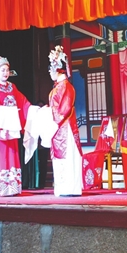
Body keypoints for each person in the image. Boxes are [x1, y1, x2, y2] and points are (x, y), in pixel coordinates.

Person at [0, 55, 31, 196]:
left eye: (7, 70)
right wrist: (9, 113)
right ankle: (0, 188)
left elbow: (22, 102)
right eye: (2, 70)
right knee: (0, 156)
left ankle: (12, 187)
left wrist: (32, 110)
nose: (5, 73)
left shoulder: (12, 87)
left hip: (11, 126)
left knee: (12, 155)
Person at [47, 45, 83, 196]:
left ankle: (70, 188)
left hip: (65, 126)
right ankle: (64, 187)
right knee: (62, 158)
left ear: (57, 70)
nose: (50, 73)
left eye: (51, 70)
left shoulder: (66, 86)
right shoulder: (59, 86)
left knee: (68, 157)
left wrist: (51, 118)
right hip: (59, 127)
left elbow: (64, 109)